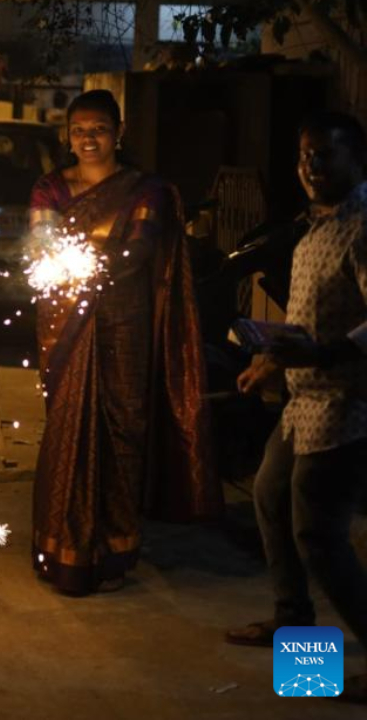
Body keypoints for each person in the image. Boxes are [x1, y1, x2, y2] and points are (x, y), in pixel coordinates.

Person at [27, 90, 221, 596]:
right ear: (67, 135)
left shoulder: (145, 190)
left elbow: (137, 252)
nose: (88, 139)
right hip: (66, 324)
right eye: (78, 129)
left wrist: (89, 273)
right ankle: (61, 547)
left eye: (98, 128)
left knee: (120, 432)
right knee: (67, 429)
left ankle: (112, 550)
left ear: (119, 131)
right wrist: (65, 274)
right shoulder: (49, 188)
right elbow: (41, 246)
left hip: (123, 324)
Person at [226, 111, 367, 704]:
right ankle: (296, 628)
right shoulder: (314, 228)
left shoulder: (362, 226)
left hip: (347, 401)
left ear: (356, 160)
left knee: (317, 529)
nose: (311, 167)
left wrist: (325, 351)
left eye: (325, 156)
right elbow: (307, 317)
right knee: (268, 494)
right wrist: (270, 359)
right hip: (303, 397)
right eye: (305, 156)